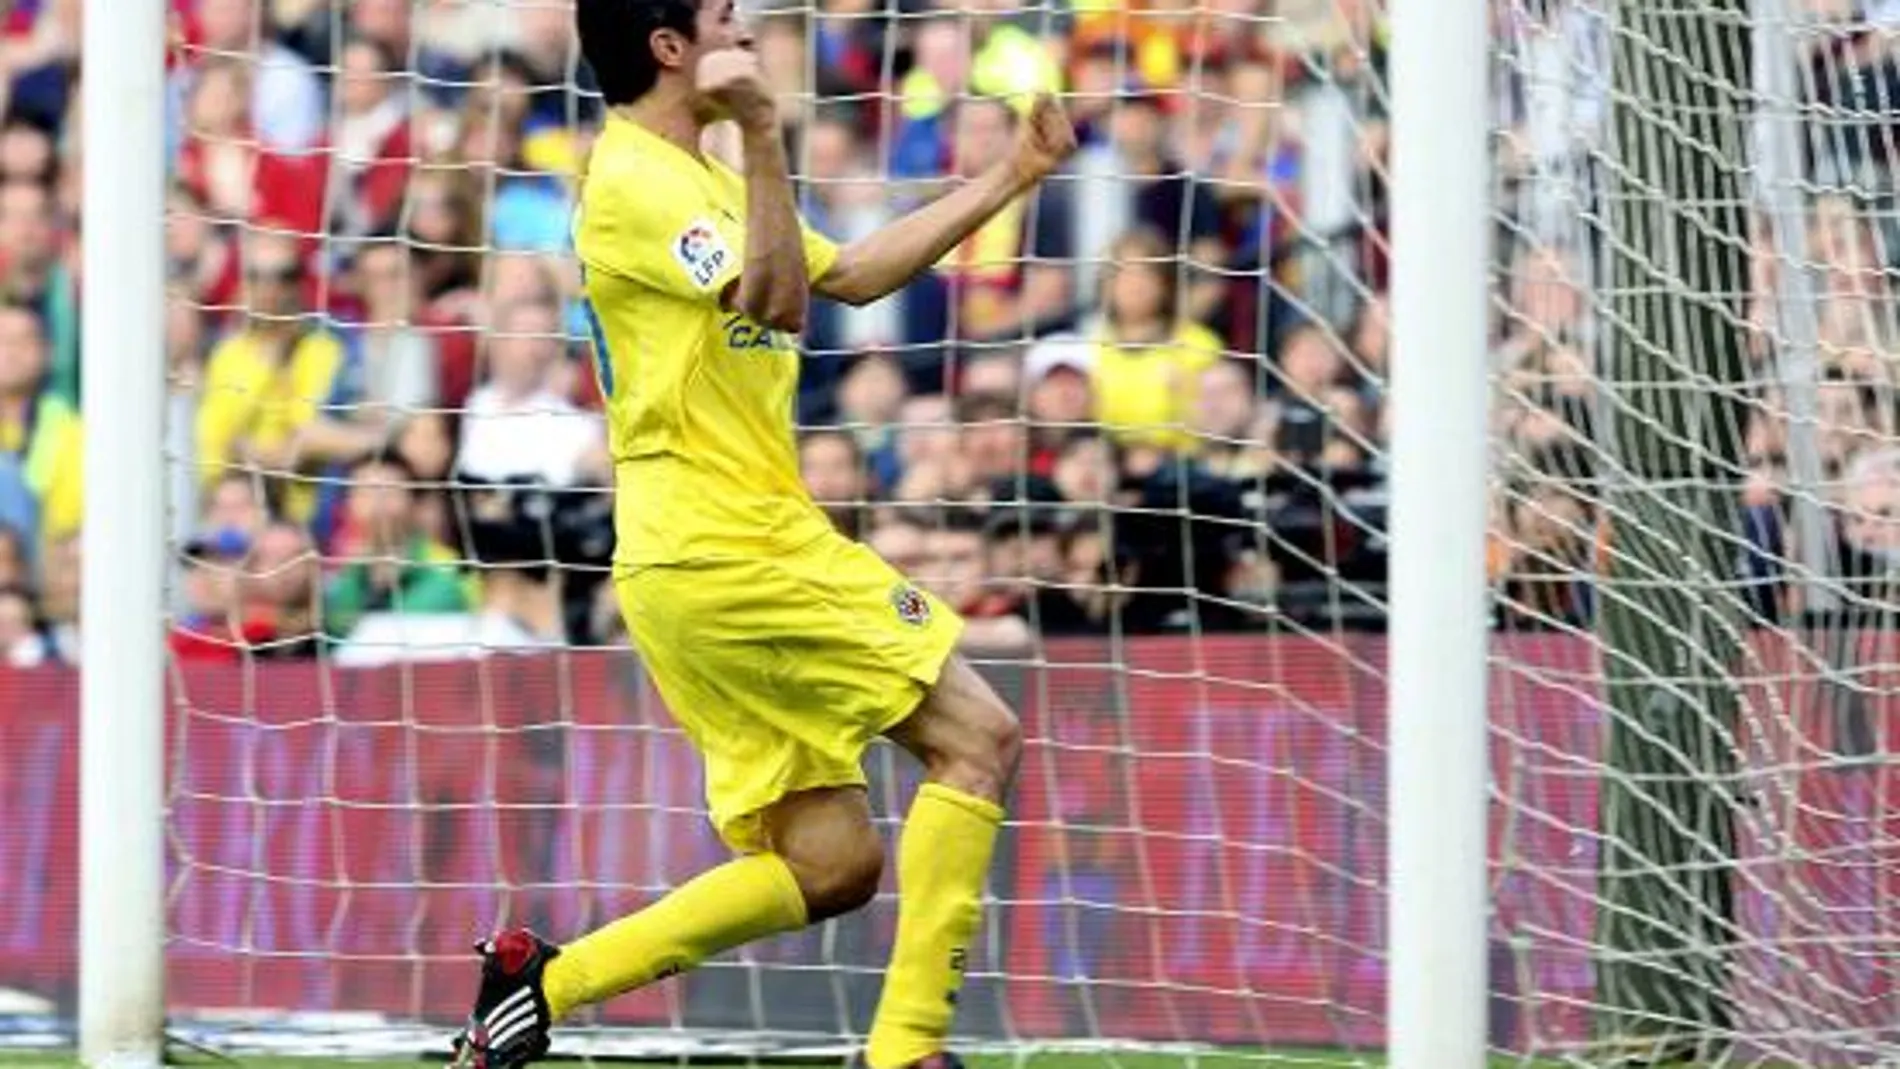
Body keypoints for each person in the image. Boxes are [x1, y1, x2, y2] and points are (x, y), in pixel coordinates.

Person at [447, 2, 1076, 1068]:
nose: (745, 24)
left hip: (697, 558)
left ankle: (541, 983)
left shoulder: (701, 178)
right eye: (724, 14)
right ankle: (905, 1051)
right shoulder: (636, 180)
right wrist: (768, 136)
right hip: (728, 543)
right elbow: (778, 300)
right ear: (668, 46)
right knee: (979, 740)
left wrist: (1010, 177)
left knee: (831, 862)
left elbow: (852, 273)